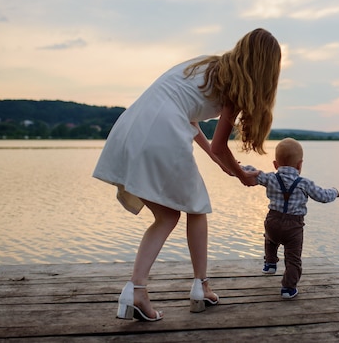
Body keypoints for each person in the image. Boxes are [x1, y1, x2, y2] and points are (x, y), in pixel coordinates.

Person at [93, 28, 281, 320]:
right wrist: (241, 174)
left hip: (132, 125)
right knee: (195, 208)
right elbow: (220, 145)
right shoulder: (236, 86)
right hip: (162, 131)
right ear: (267, 69)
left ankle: (138, 290)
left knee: (171, 214)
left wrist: (220, 162)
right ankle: (197, 287)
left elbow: (191, 119)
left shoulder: (207, 67)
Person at [244, 138, 339, 299]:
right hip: (293, 228)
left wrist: (235, 166)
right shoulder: (305, 183)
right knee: (293, 259)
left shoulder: (270, 178)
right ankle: (288, 289)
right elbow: (323, 196)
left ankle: (270, 264)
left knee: (269, 239)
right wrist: (334, 191)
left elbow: (252, 172)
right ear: (300, 165)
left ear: (275, 164)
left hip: (273, 221)